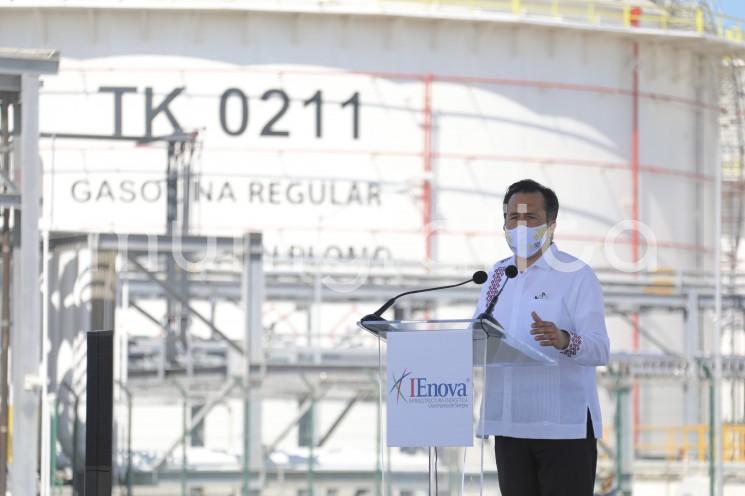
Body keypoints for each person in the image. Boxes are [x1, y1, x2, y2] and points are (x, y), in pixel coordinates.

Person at [473, 179, 610, 496]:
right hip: (509, 424)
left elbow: (600, 349)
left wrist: (564, 340)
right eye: (513, 218)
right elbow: (477, 335)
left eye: (530, 218)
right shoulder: (497, 276)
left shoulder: (576, 274)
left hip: (564, 426)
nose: (520, 225)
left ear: (551, 224)